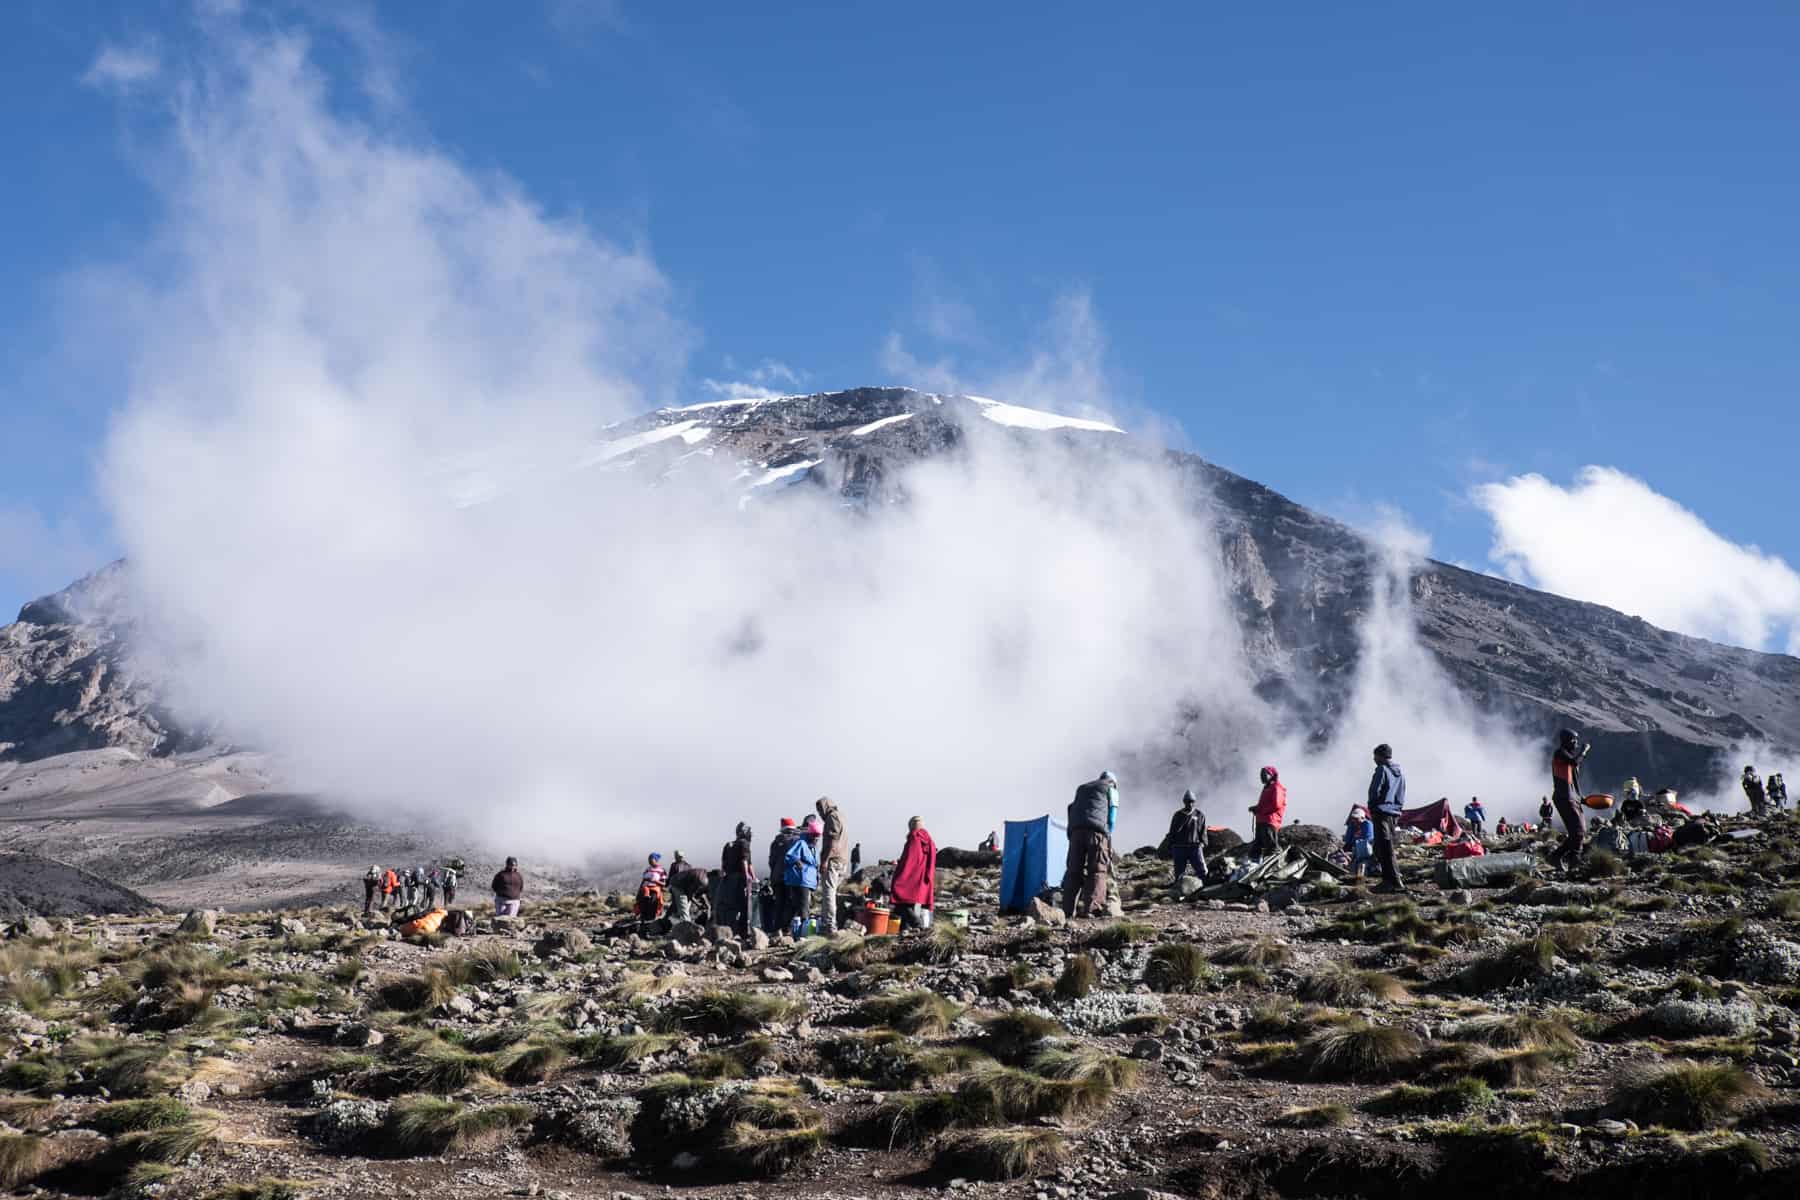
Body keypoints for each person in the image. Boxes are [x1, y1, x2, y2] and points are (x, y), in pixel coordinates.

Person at [1062, 770, 1118, 919]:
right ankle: (1092, 909)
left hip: (1076, 832)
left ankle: (1066, 911)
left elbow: (1071, 808)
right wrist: (1108, 833)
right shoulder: (1110, 789)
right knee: (1097, 870)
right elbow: (1112, 815)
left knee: (1073, 871)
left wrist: (1071, 831)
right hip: (1097, 833)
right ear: (1113, 781)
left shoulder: (1082, 788)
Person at [1547, 729, 1592, 872]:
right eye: (1574, 740)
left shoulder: (1568, 760)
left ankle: (1560, 857)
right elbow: (1574, 761)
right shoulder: (1560, 753)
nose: (1576, 743)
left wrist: (1582, 798)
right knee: (1578, 831)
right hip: (1564, 797)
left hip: (1572, 798)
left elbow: (1573, 783)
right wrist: (1584, 751)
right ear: (1566, 740)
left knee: (1578, 832)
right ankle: (1573, 860)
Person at [1367, 744, 1408, 894]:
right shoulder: (1400, 773)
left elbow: (1375, 790)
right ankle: (1393, 879)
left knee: (1384, 847)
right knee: (1386, 845)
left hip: (1381, 812)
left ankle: (1391, 881)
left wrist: (1372, 806)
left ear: (1381, 756)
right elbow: (1401, 794)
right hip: (1393, 813)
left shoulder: (1382, 769)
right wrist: (1397, 810)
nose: (1374, 759)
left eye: (1375, 756)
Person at [891, 815, 938, 930]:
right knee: (908, 905)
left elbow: (910, 860)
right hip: (922, 879)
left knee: (900, 903)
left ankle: (918, 925)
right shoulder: (929, 840)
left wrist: (899, 873)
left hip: (911, 877)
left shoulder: (914, 837)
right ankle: (904, 932)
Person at [815, 796, 850, 935]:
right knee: (833, 892)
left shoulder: (832, 818)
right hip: (843, 860)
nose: (820, 813)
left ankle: (829, 925)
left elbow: (832, 841)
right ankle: (830, 923)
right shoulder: (841, 816)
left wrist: (824, 860)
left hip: (833, 860)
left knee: (828, 893)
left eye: (820, 809)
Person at [716, 822, 757, 938]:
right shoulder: (744, 844)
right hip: (739, 878)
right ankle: (744, 931)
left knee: (730, 906)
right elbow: (746, 862)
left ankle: (730, 930)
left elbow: (723, 865)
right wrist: (750, 877)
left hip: (728, 879)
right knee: (744, 905)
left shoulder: (728, 845)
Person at [782, 817, 821, 937]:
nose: (816, 838)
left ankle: (788, 929)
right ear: (809, 834)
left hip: (806, 880)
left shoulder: (812, 847)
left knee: (795, 906)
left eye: (818, 836)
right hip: (801, 880)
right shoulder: (801, 843)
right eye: (814, 835)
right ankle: (805, 933)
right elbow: (790, 856)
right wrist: (797, 861)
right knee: (803, 906)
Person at [1165, 789, 1209, 885]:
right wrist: (1170, 844)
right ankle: (1179, 888)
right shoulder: (1178, 815)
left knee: (1201, 869)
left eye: (1192, 801)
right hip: (1179, 847)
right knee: (1179, 871)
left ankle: (1205, 886)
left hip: (1194, 846)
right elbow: (1172, 831)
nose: (1190, 804)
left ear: (1195, 802)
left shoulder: (1199, 815)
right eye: (1188, 801)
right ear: (1184, 802)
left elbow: (1203, 831)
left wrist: (1203, 843)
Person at [1250, 766, 1286, 859]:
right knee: (1259, 844)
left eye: (1264, 774)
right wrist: (1256, 808)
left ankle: (1275, 861)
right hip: (1262, 819)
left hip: (1270, 820)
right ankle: (1255, 863)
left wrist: (1260, 810)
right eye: (1261, 775)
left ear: (1271, 775)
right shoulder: (1267, 787)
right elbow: (1264, 804)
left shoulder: (1277, 787)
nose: (1262, 776)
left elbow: (1276, 805)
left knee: (1271, 845)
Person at [1342, 805, 1374, 879]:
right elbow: (1348, 841)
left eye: (1356, 818)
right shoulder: (1352, 825)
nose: (1354, 820)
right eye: (1353, 818)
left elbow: (1368, 841)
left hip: (1363, 849)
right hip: (1353, 848)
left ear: (1362, 818)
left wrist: (1353, 851)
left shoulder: (1368, 825)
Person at [636, 853, 668, 921]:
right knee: (641, 902)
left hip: (655, 889)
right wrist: (639, 890)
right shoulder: (647, 869)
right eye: (648, 859)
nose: (649, 861)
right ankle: (643, 918)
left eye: (651, 859)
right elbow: (643, 880)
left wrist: (655, 881)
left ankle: (651, 919)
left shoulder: (662, 870)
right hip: (645, 888)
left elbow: (664, 883)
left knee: (652, 903)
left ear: (656, 860)